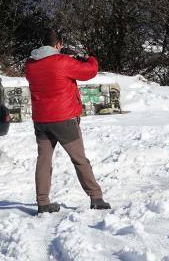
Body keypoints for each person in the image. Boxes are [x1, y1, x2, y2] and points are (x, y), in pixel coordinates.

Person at [25, 29, 110, 214]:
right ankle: (96, 197)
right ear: (58, 45)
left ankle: (43, 202)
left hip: (41, 120)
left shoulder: (30, 65)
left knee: (44, 161)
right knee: (79, 159)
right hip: (64, 119)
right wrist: (90, 58)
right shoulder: (62, 62)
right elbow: (89, 71)